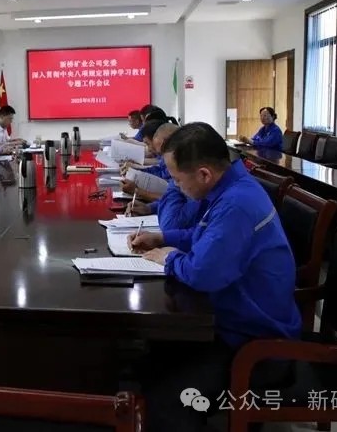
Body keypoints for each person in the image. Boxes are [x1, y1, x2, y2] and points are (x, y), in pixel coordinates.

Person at [127, 122, 300, 432]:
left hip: (255, 342)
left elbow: (202, 273)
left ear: (204, 174)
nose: (176, 187)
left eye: (178, 181)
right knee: (148, 361)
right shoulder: (232, 188)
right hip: (235, 322)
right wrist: (162, 238)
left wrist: (169, 257)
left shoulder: (236, 205)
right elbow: (204, 235)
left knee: (167, 400)